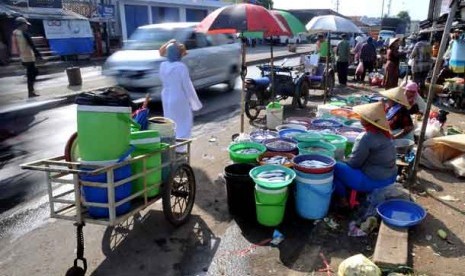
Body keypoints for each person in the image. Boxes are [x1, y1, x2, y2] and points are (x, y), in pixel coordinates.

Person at [333, 102, 397, 200]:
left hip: (374, 181)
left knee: (333, 166)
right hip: (391, 177)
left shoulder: (366, 137)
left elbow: (354, 164)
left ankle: (343, 200)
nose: (360, 118)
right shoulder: (386, 134)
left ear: (367, 120)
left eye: (362, 117)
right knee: (340, 171)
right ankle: (345, 196)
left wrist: (342, 160)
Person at [159, 40, 203, 152]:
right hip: (178, 97)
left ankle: (171, 147)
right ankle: (180, 149)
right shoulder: (181, 67)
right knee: (184, 123)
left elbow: (161, 52)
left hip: (166, 97)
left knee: (171, 123)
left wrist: (170, 42)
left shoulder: (163, 65)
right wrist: (195, 103)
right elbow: (187, 86)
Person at [12, 17, 42, 97]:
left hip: (23, 57)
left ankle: (31, 91)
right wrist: (38, 55)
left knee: (32, 73)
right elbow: (32, 45)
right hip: (29, 57)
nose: (27, 26)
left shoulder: (15, 33)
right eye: (25, 25)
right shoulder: (24, 34)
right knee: (32, 73)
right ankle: (31, 92)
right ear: (21, 25)